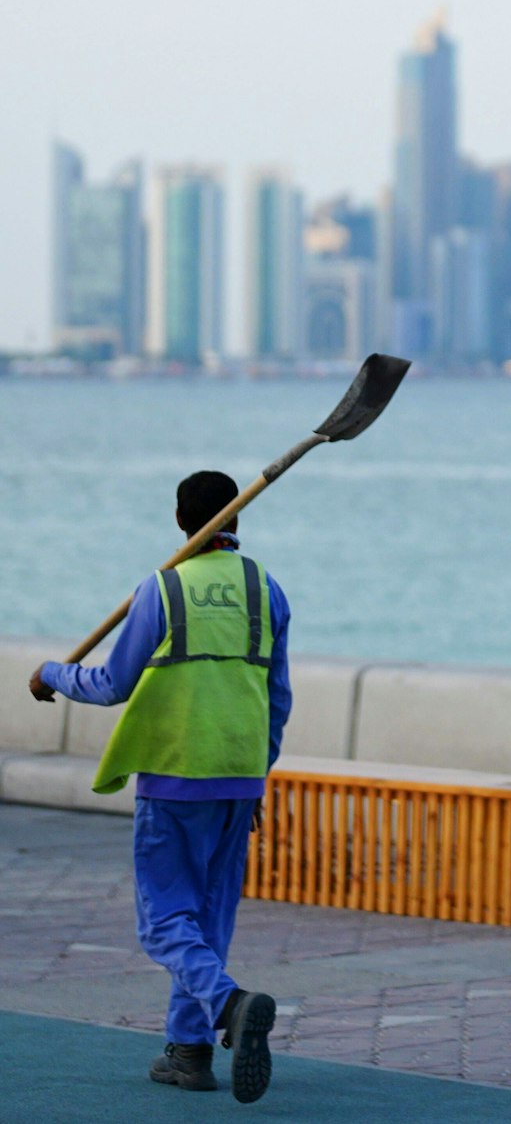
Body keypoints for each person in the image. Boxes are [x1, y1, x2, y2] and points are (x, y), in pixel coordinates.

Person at [29, 470, 290, 1105]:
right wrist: (257, 778)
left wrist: (51, 674)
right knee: (207, 920)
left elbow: (113, 683)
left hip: (175, 778)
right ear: (237, 521)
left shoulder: (163, 590)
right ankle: (189, 1052)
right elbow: (277, 698)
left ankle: (228, 1005)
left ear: (181, 521)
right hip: (238, 776)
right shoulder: (267, 590)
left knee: (165, 921)